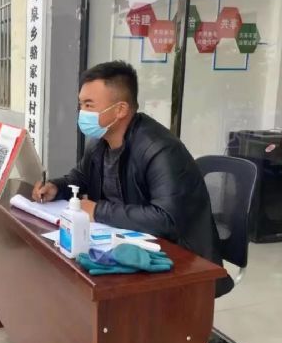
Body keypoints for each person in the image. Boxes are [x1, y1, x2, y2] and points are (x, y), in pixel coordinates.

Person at [32, 60, 232, 297]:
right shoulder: (100, 142)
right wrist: (57, 187)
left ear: (120, 110)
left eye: (89, 105)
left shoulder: (160, 149)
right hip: (127, 246)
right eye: (81, 105)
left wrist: (98, 210)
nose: (82, 113)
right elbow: (80, 177)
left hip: (178, 261)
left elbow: (166, 220)